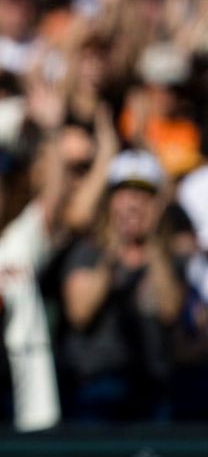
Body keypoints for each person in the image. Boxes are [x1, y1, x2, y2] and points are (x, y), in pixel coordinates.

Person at [59, 149, 186, 421]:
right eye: (125, 193)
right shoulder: (88, 252)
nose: (133, 204)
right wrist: (113, 251)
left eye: (143, 195)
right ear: (109, 200)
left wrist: (152, 245)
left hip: (154, 392)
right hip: (97, 388)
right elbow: (80, 313)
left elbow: (170, 310)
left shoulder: (168, 259)